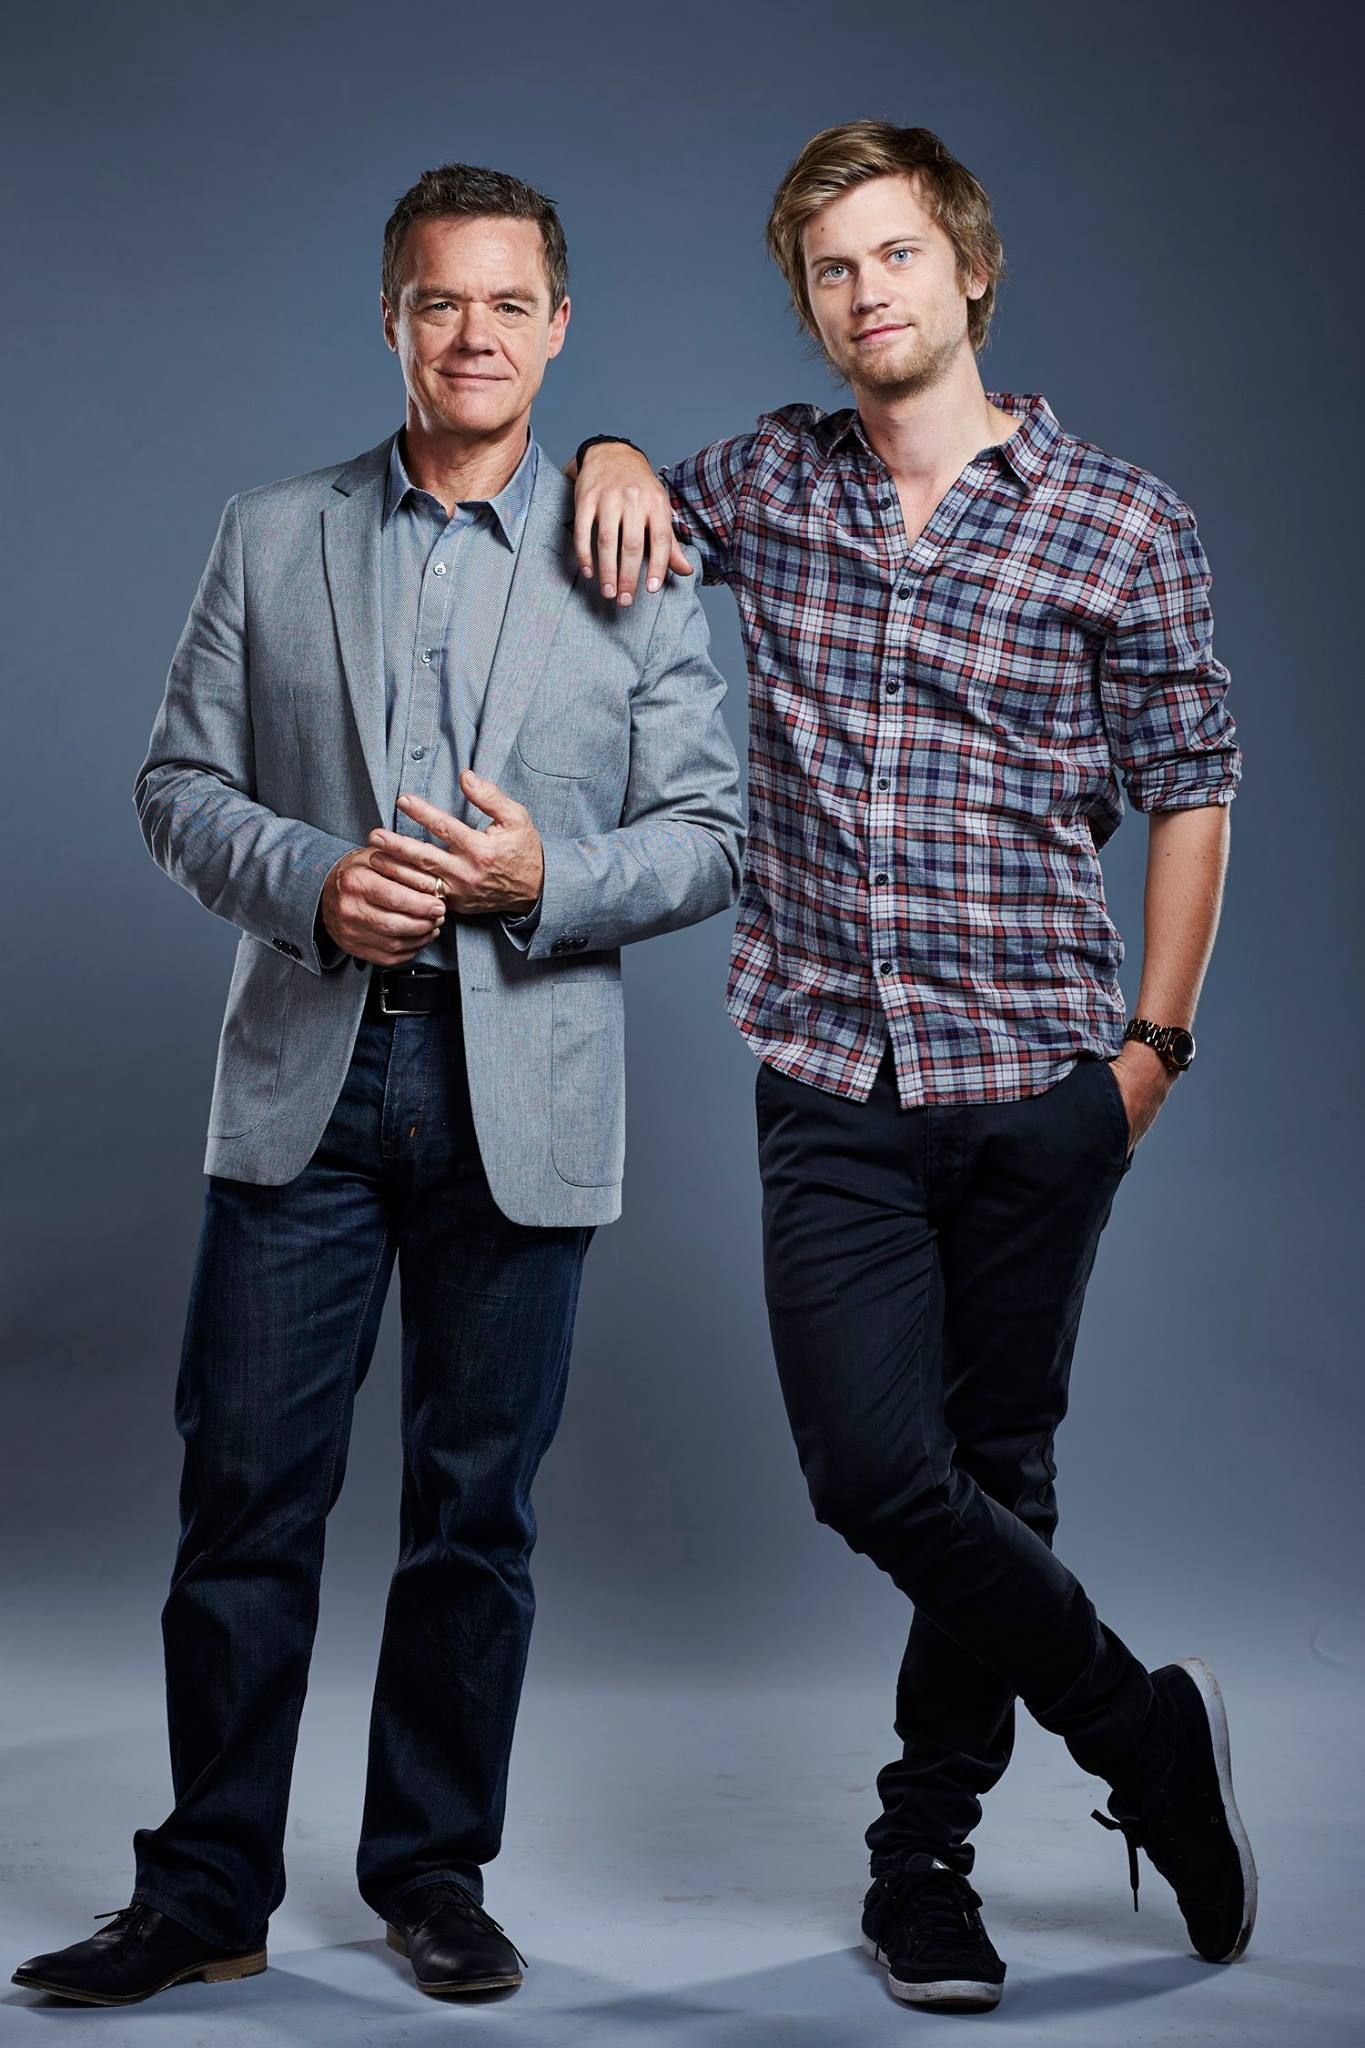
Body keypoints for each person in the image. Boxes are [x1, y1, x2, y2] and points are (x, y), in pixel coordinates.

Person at [12, 161, 742, 2010]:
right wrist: (314, 883)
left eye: (507, 303)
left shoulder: (630, 546)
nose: (472, 333)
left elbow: (709, 838)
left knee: (473, 1517)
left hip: (526, 1085)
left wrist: (547, 878)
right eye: (438, 301)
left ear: (557, 327)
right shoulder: (271, 534)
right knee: (243, 1500)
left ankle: (432, 1876)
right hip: (307, 1077)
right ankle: (205, 1892)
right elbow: (176, 787)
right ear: (392, 323)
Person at [572, 120, 1252, 2015]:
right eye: (829, 269)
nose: (864, 292)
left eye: (892, 254)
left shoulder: (1120, 520)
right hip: (830, 1080)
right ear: (807, 306)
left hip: (1041, 1078)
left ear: (968, 268)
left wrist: (1150, 1053)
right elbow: (625, 508)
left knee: (998, 1474)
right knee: (878, 1470)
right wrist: (611, 442)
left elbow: (1193, 790)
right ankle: (1141, 1732)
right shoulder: (767, 481)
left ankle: (920, 1865)